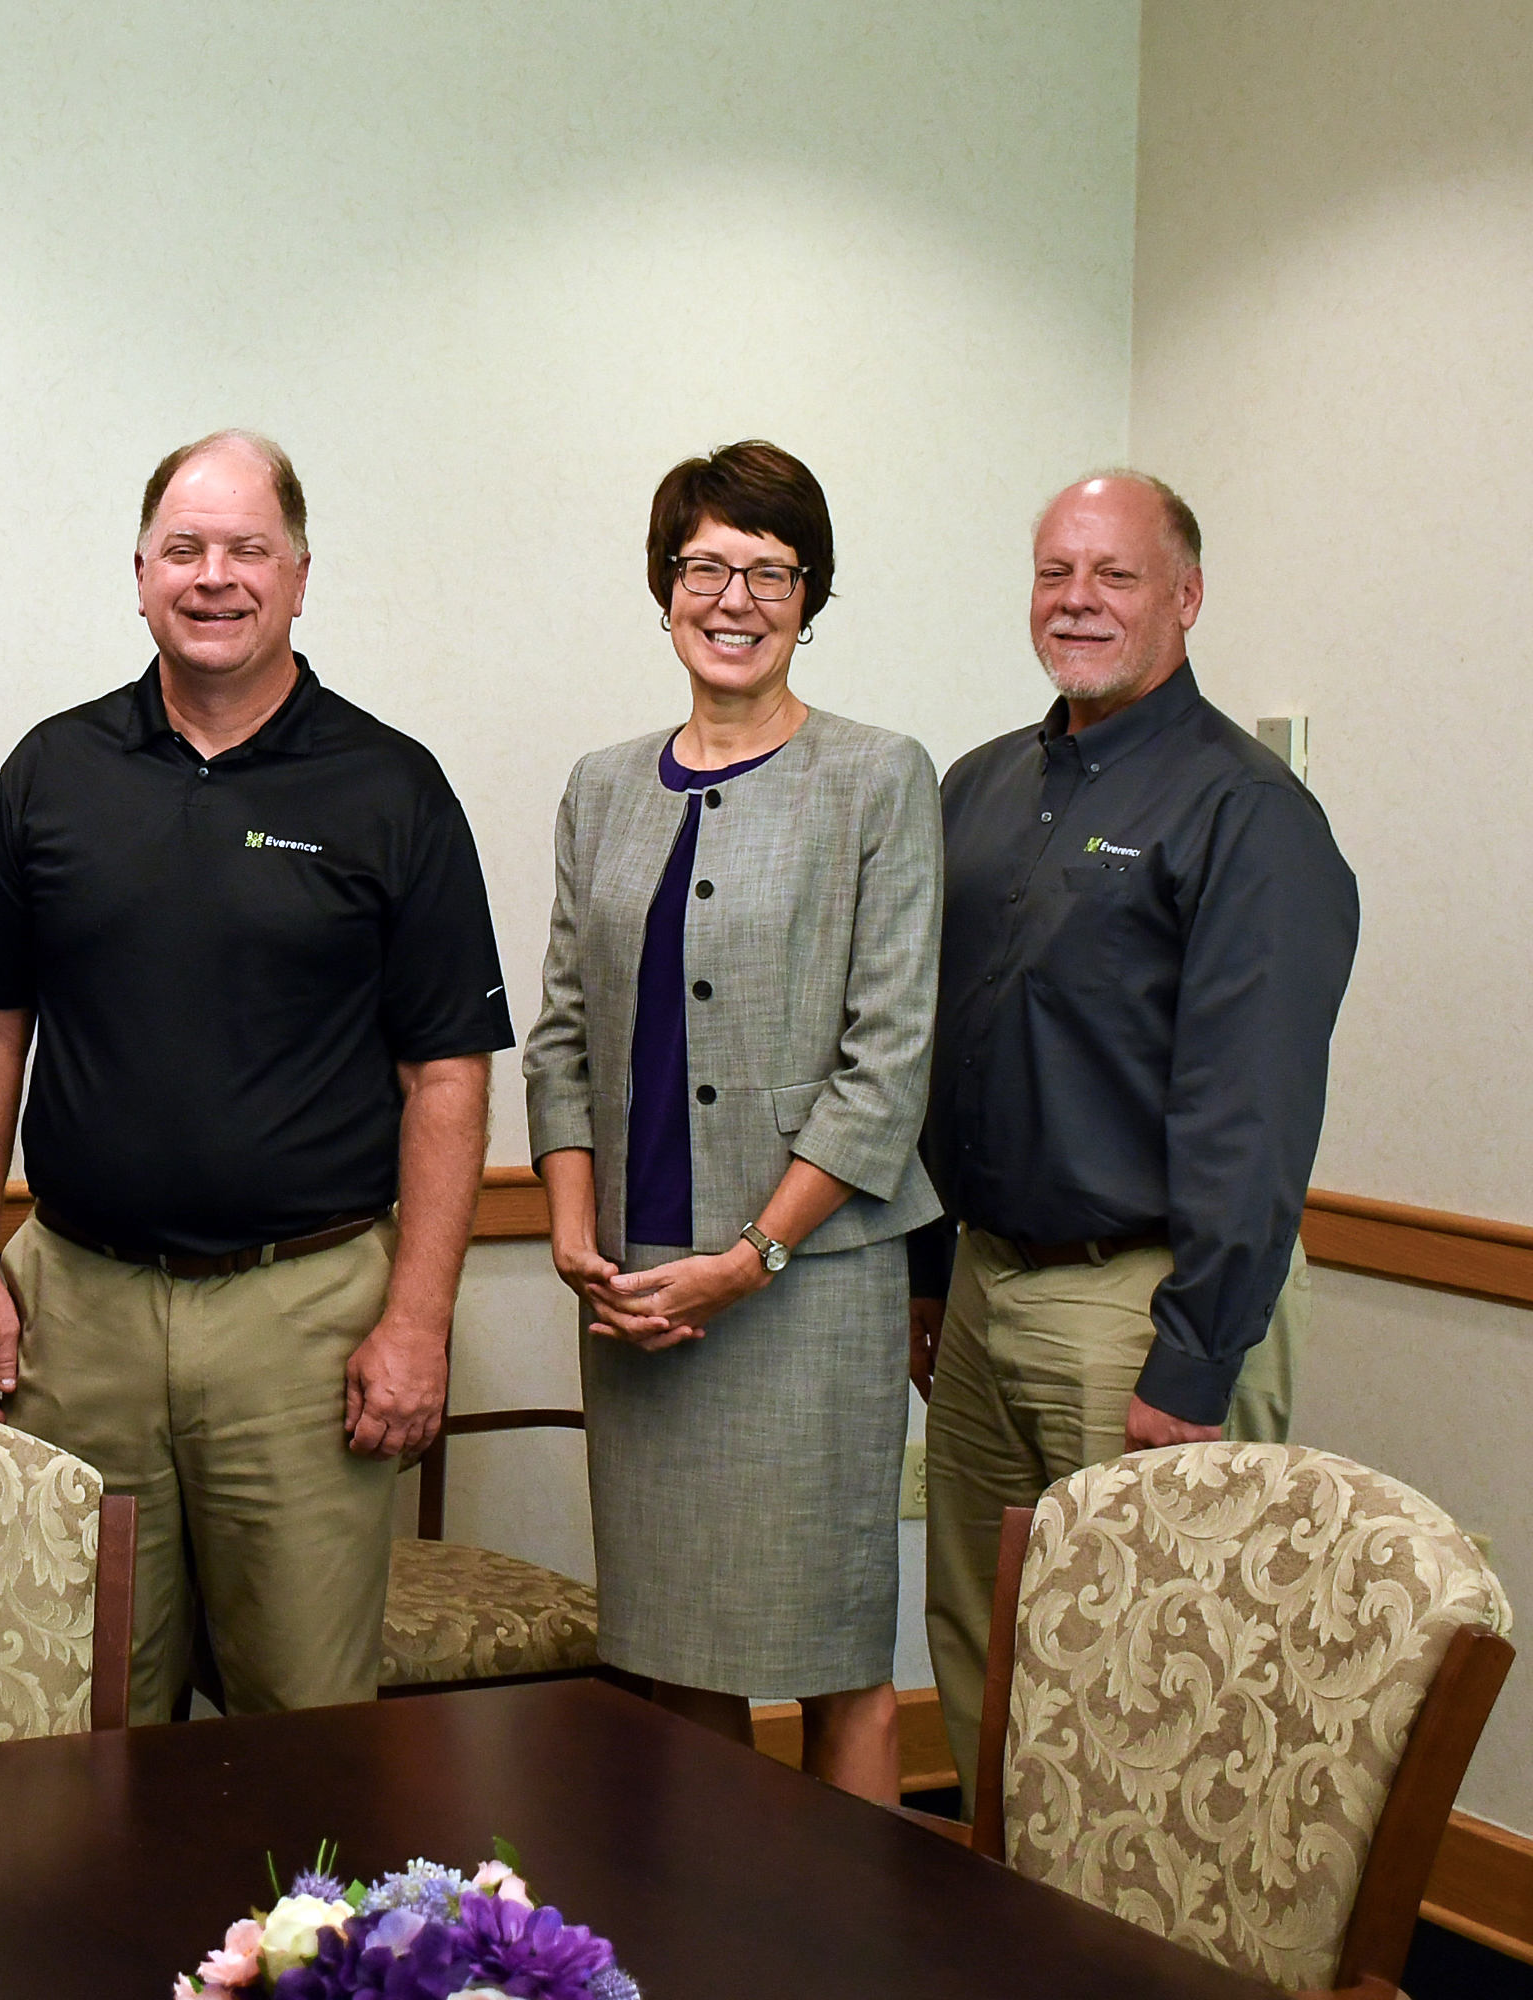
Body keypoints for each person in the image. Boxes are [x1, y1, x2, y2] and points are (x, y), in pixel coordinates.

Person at [0, 429, 512, 1721]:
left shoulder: (390, 786)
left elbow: (447, 1077)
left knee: (301, 1727)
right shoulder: (54, 772)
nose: (214, 576)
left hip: (302, 1325)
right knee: (78, 1712)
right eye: (184, 549)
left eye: (248, 548)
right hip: (76, 1314)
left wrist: (416, 1321)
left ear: (300, 574)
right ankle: (114, 1938)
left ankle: (289, 1940)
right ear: (138, 573)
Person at [915, 470, 1358, 1806]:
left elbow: (1254, 1108)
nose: (1079, 601)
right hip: (987, 1295)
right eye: (1057, 573)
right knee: (986, 1661)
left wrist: (1197, 1348)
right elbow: (938, 1057)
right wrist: (928, 1277)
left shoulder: (1248, 812)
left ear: (1186, 597)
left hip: (1143, 1306)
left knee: (1152, 1684)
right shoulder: (981, 788)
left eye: (1114, 575)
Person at [524, 441, 942, 1802]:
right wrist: (580, 1238)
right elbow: (566, 1036)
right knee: (679, 1656)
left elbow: (885, 1065)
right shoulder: (601, 786)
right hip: (636, 1292)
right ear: (664, 587)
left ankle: (847, 1953)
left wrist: (749, 1258)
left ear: (807, 596)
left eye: (770, 569)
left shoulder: (876, 779)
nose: (735, 596)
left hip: (808, 1292)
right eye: (706, 565)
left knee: (833, 1659)